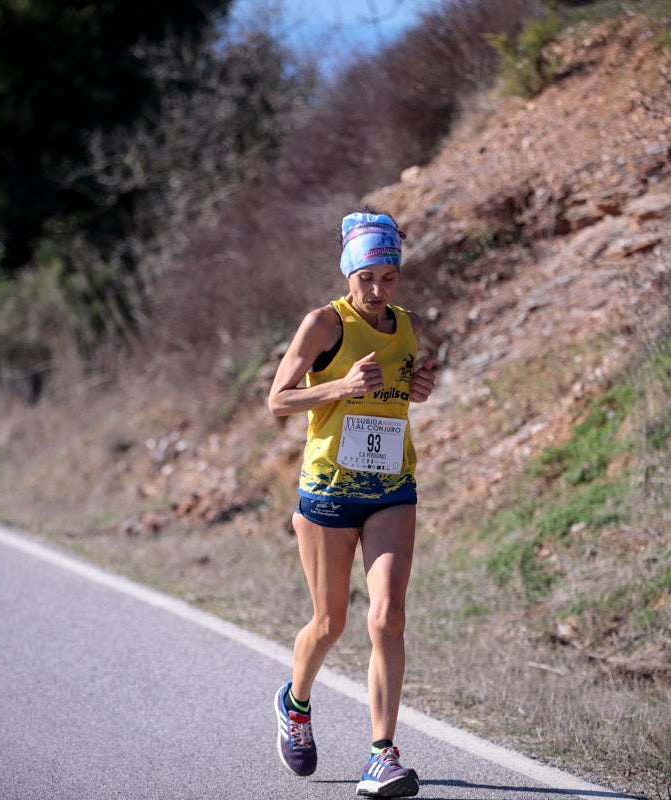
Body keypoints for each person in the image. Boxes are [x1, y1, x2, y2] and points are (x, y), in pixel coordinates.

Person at [267, 210, 437, 798]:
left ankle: (382, 755)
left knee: (388, 615)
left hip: (392, 487)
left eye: (388, 277)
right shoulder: (323, 324)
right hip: (329, 492)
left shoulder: (408, 326)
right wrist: (340, 387)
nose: (377, 290)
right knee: (330, 622)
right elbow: (278, 400)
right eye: (366, 277)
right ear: (348, 273)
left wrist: (417, 388)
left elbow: (400, 387)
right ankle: (295, 702)